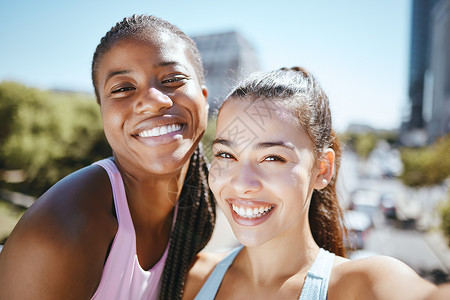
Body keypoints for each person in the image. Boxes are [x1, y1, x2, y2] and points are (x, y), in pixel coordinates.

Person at [0, 14, 216, 300]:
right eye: (123, 88)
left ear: (204, 97)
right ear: (102, 112)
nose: (152, 101)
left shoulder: (197, 205)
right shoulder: (63, 228)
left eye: (173, 79)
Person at [182, 67, 438, 299]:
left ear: (322, 170)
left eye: (273, 158)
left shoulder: (362, 285)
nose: (242, 183)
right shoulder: (191, 277)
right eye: (226, 155)